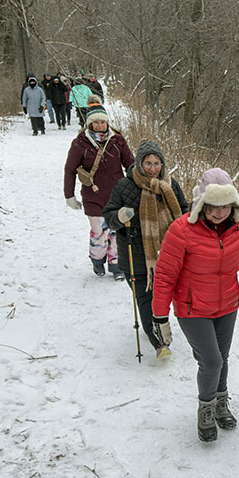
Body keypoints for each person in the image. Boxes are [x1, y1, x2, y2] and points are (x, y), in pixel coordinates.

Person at [151, 168, 239, 442]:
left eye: (225, 206)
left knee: (222, 358)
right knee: (212, 361)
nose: (219, 213)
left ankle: (220, 401)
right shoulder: (181, 230)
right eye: (214, 206)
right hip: (193, 309)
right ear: (202, 202)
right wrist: (160, 317)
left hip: (227, 305)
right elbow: (165, 276)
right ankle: (206, 407)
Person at [102, 140, 190, 359]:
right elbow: (109, 217)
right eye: (148, 163)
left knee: (164, 297)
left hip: (168, 254)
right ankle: (159, 343)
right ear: (139, 163)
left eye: (157, 163)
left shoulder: (170, 184)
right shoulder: (124, 185)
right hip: (137, 255)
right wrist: (120, 217)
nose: (153, 168)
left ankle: (160, 327)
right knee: (145, 298)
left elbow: (185, 210)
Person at [63, 102, 134, 278]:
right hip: (93, 196)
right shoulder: (80, 143)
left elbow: (130, 164)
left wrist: (138, 185)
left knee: (117, 232)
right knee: (99, 232)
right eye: (96, 122)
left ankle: (116, 265)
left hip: (117, 196)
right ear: (89, 124)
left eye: (103, 122)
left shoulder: (117, 140)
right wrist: (69, 195)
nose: (100, 126)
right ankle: (97, 261)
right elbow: (70, 169)